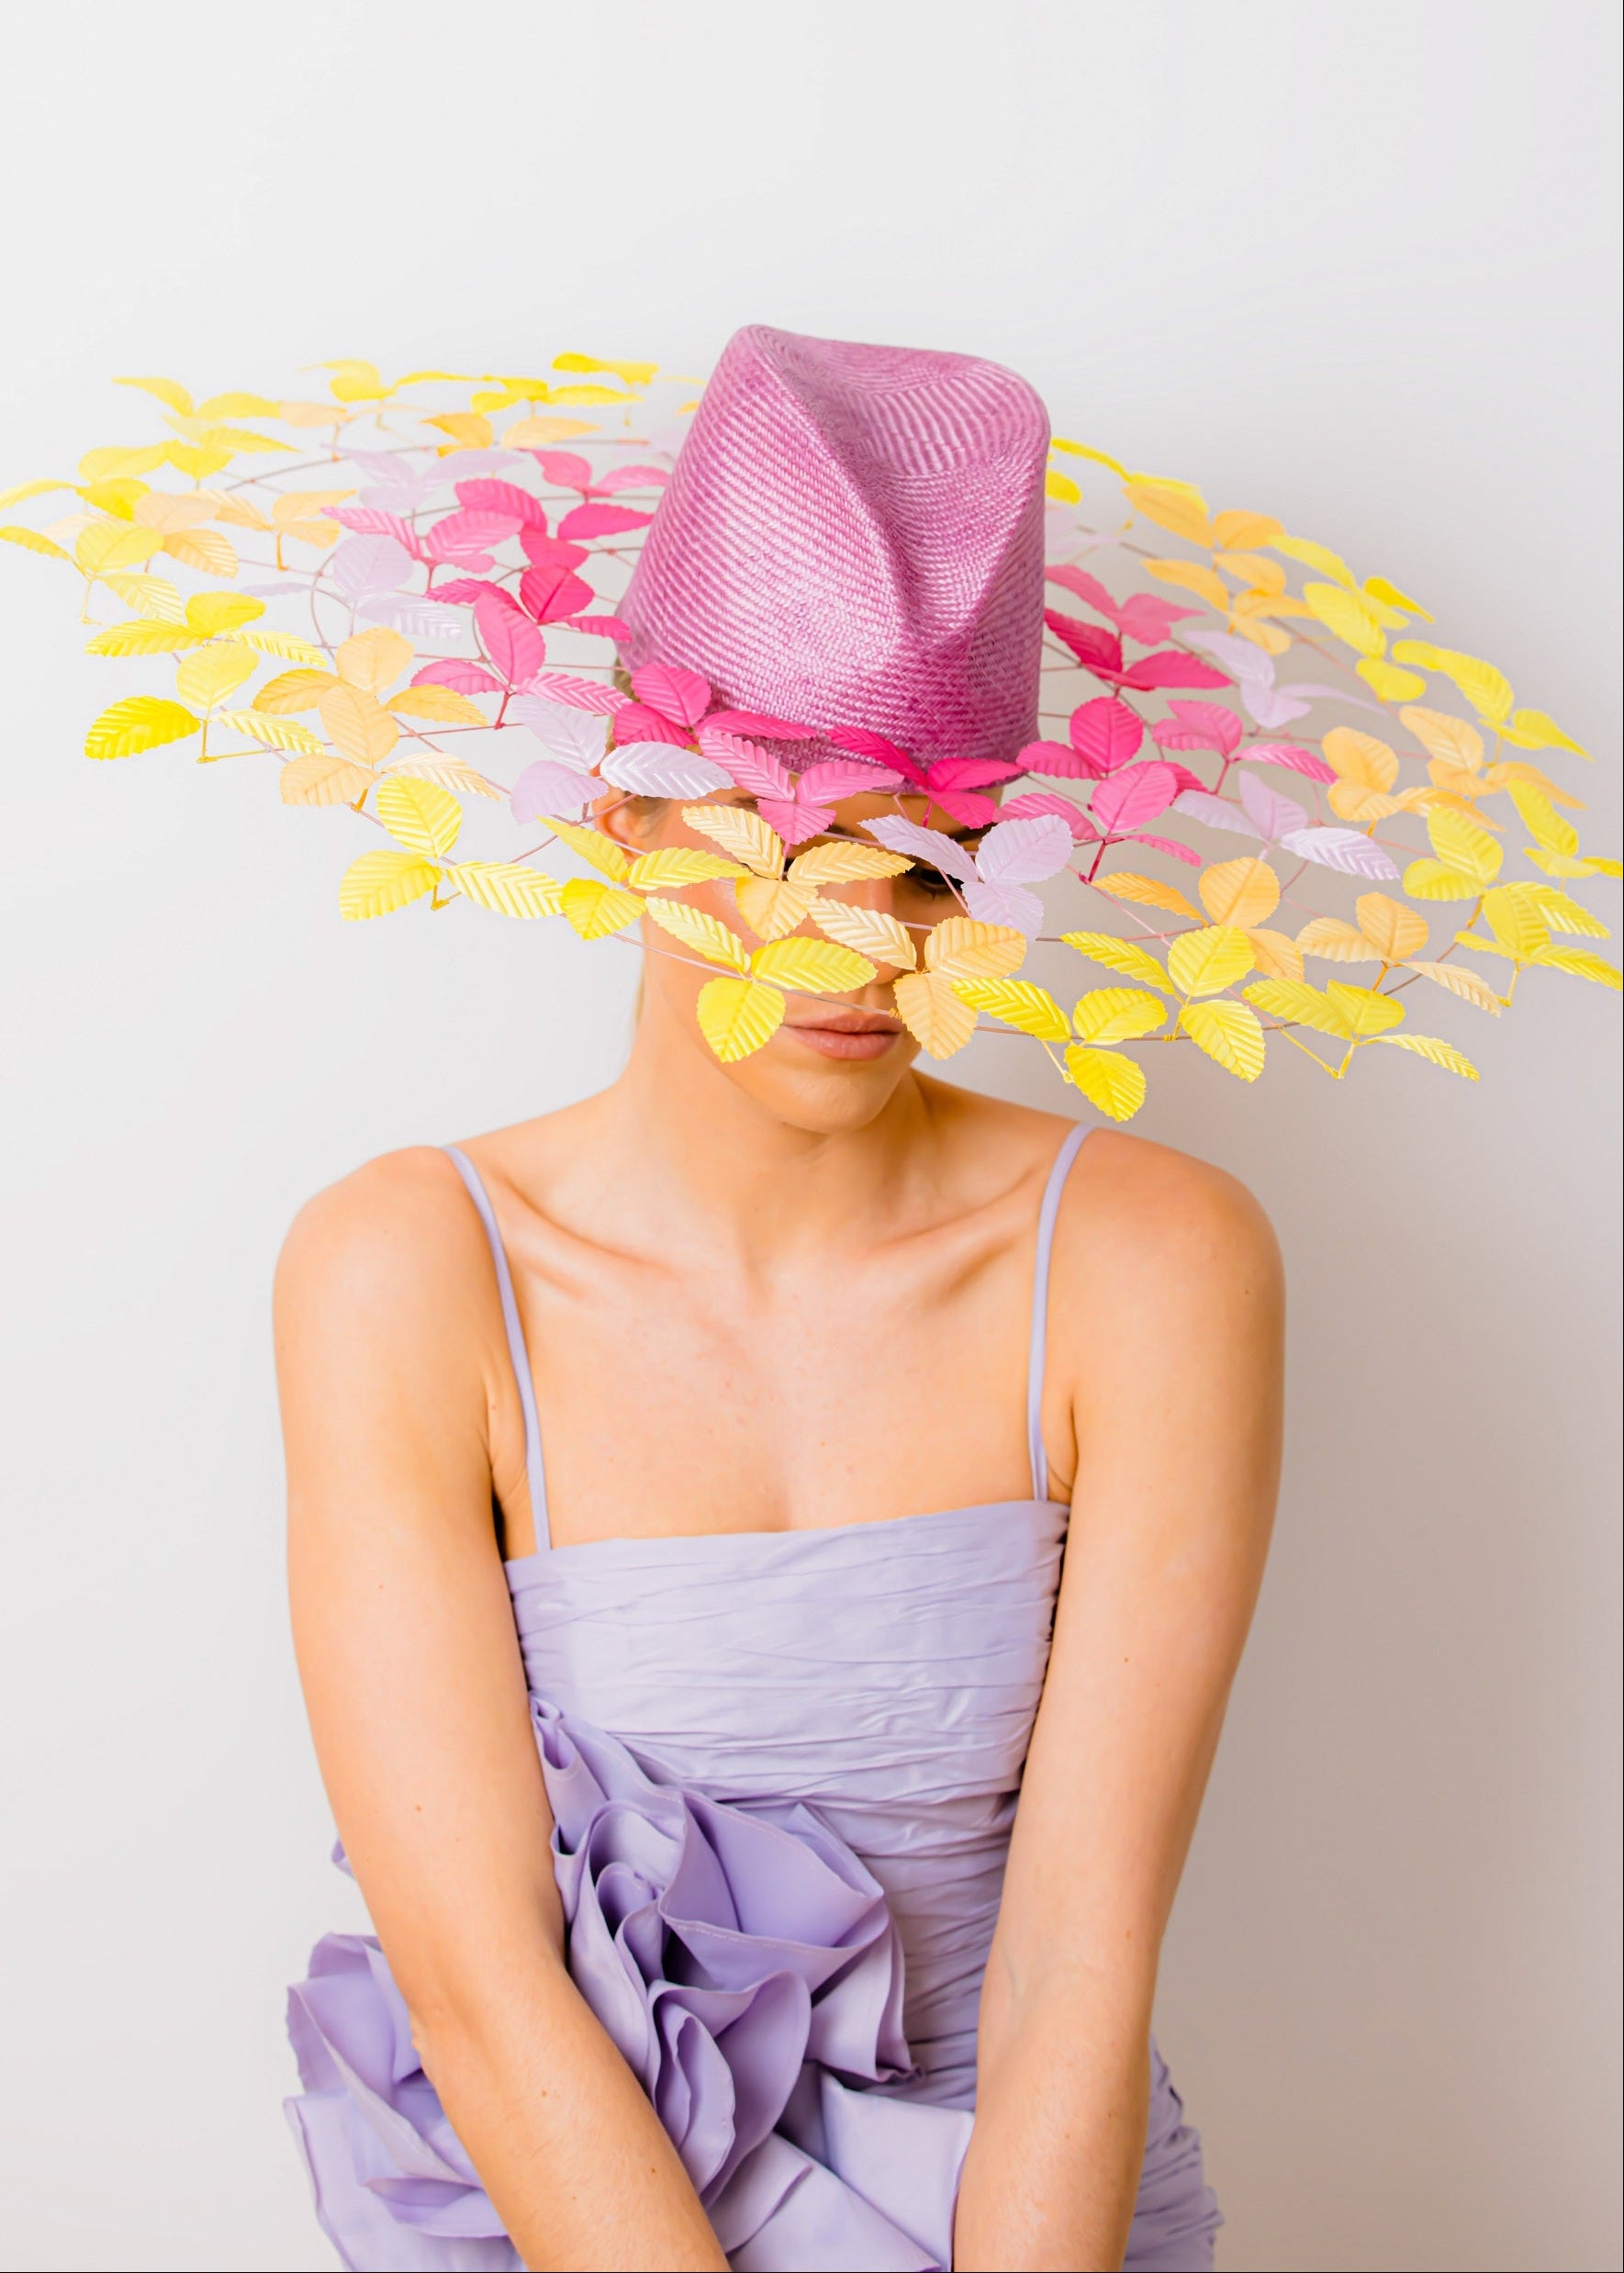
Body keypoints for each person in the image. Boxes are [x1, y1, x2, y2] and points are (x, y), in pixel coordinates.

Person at [275, 326, 1283, 2272]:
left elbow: (1082, 1949)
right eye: (778, 838)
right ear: (622, 817)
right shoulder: (405, 1267)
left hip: (1039, 2209)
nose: (854, 944)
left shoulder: (1157, 1256)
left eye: (923, 865)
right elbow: (479, 1969)